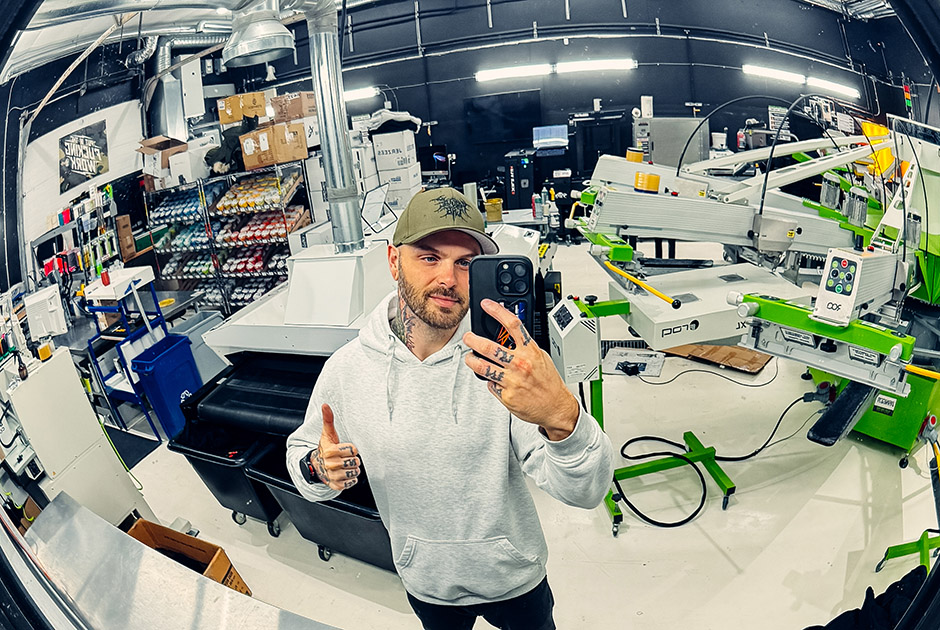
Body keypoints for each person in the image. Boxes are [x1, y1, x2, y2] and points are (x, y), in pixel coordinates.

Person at [286, 187, 614, 630]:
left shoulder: (506, 366)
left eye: (465, 262)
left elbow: (585, 492)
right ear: (391, 261)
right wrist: (316, 468)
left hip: (514, 578)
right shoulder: (347, 369)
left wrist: (563, 419)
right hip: (426, 582)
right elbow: (304, 455)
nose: (448, 278)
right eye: (428, 256)